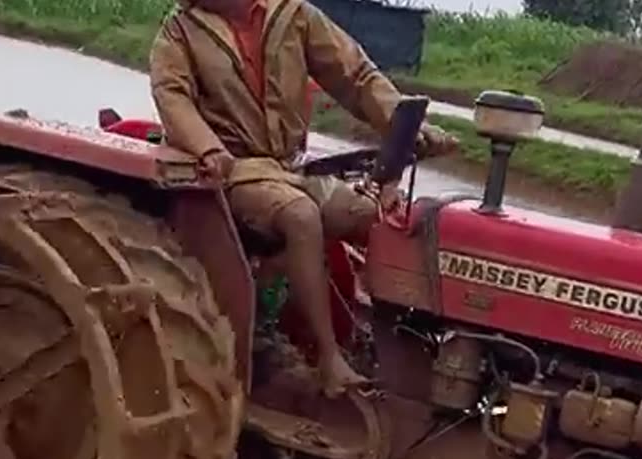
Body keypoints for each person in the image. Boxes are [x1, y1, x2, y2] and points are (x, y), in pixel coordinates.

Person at [150, 0, 456, 397]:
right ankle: (329, 360)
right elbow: (172, 95)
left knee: (379, 219)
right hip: (236, 169)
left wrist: (403, 123)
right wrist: (208, 150)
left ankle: (396, 349)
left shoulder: (294, 16)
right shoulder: (180, 30)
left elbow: (357, 77)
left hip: (290, 169)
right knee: (300, 217)